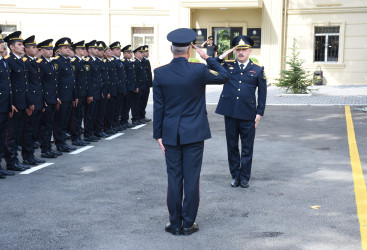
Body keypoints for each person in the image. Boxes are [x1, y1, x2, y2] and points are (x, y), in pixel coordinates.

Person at [153, 28, 230, 236]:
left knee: (174, 179)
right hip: (194, 133)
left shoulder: (160, 73)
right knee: (192, 178)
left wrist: (158, 135)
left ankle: (174, 223)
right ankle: (188, 224)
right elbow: (225, 76)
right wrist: (208, 58)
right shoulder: (198, 70)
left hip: (170, 134)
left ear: (172, 49)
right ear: (189, 51)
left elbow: (158, 107)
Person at [215, 35, 267, 188]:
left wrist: (259, 113)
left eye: (244, 50)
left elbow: (262, 94)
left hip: (248, 114)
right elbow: (212, 64)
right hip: (230, 113)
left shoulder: (257, 70)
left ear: (250, 51)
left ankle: (244, 177)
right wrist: (224, 54)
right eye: (238, 50)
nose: (241, 53)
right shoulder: (227, 66)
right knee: (231, 146)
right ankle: (235, 176)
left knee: (247, 146)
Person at [3, 31, 31, 171]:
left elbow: (24, 84)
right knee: (11, 134)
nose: (22, 46)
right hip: (13, 104)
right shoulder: (9, 61)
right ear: (12, 47)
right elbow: (10, 85)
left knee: (17, 133)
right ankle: (11, 161)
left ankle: (15, 159)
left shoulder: (20, 61)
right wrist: (11, 103)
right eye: (20, 44)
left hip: (22, 103)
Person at [22, 35, 46, 165]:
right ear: (26, 49)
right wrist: (30, 103)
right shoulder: (25, 62)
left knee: (33, 130)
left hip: (37, 101)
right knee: (28, 131)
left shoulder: (33, 62)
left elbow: (38, 84)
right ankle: (27, 156)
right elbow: (27, 86)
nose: (36, 49)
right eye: (33, 47)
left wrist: (41, 102)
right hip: (31, 102)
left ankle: (30, 155)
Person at [37, 39, 62, 158]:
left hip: (52, 98)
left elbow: (54, 83)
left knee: (50, 125)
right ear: (41, 50)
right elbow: (40, 84)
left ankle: (48, 148)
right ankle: (44, 150)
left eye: (51, 49)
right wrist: (43, 100)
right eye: (48, 49)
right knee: (45, 127)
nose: (50, 51)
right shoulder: (40, 63)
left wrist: (56, 97)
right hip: (46, 100)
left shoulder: (50, 63)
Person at [52, 37, 78, 152]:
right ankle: (60, 144)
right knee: (60, 122)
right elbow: (55, 81)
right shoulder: (57, 62)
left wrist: (74, 96)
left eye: (69, 47)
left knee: (65, 122)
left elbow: (72, 81)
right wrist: (57, 97)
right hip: (62, 97)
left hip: (68, 96)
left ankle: (63, 143)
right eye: (65, 48)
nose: (68, 49)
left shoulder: (68, 61)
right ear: (58, 50)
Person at [0, 30, 16, 178]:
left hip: (4, 105)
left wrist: (10, 103)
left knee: (2, 137)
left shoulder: (3, 61)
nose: (2, 45)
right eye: (0, 43)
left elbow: (7, 86)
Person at [70, 40, 89, 146]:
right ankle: (75, 137)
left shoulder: (81, 62)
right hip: (78, 94)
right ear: (76, 50)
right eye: (82, 49)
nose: (84, 50)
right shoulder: (74, 62)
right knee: (75, 118)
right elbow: (74, 81)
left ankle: (78, 137)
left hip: (83, 94)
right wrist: (75, 96)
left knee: (80, 116)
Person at [132, 46, 148, 125]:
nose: (142, 54)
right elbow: (134, 76)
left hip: (142, 87)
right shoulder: (135, 62)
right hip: (138, 87)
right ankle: (135, 118)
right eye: (140, 53)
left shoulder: (140, 62)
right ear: (136, 54)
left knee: (141, 103)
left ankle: (139, 117)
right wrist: (136, 86)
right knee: (136, 104)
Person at [140, 45, 152, 123]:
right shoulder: (141, 61)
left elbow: (149, 73)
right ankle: (140, 116)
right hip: (142, 85)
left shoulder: (147, 60)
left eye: (148, 51)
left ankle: (143, 115)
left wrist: (150, 84)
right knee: (140, 102)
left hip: (146, 84)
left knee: (144, 101)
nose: (147, 53)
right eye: (146, 52)